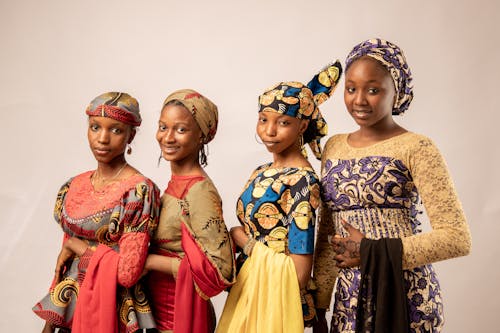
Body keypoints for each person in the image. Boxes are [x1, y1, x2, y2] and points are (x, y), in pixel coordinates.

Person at [312, 38, 472, 333]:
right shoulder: (333, 147)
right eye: (351, 88)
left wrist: (371, 251)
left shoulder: (417, 147)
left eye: (373, 90)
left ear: (396, 92)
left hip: (405, 293)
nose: (359, 100)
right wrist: (320, 305)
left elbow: (457, 238)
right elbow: (327, 234)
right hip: (349, 300)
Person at [217, 61, 343, 333]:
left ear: (302, 126)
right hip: (248, 293)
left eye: (283, 122)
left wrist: (244, 242)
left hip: (276, 308)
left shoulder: (302, 182)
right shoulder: (261, 171)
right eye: (264, 120)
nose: (269, 131)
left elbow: (298, 274)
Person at [33, 92, 161, 333]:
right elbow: (64, 265)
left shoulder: (139, 191)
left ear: (130, 135)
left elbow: (126, 274)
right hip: (71, 308)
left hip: (114, 311)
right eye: (95, 127)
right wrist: (50, 322)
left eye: (115, 130)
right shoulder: (73, 186)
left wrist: (76, 245)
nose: (102, 139)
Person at [143, 89, 235, 333]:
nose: (168, 137)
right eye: (163, 127)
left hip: (180, 319)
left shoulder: (200, 191)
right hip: (157, 315)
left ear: (201, 136)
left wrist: (152, 262)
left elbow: (220, 271)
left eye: (181, 129)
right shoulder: (176, 182)